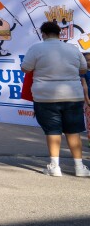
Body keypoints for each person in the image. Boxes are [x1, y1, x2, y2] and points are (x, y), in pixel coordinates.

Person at [21, 21, 89, 177]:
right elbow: (83, 68)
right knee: (73, 131)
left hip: (45, 97)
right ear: (60, 34)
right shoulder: (72, 49)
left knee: (53, 131)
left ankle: (54, 167)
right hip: (73, 95)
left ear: (43, 34)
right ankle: (79, 167)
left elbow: (25, 68)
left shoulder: (36, 48)